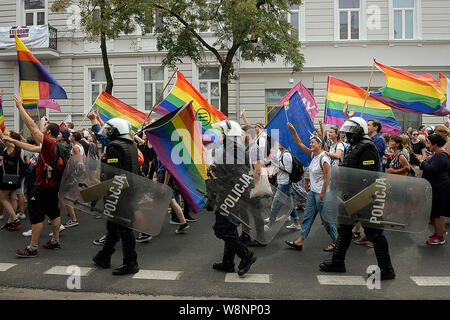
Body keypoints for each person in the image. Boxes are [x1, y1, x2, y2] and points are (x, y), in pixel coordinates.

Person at [319, 116, 396, 280]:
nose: (347, 134)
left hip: (365, 198)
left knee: (374, 233)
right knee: (344, 230)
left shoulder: (367, 147)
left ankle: (387, 269)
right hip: (351, 197)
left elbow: (366, 177)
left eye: (350, 131)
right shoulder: (353, 147)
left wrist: (352, 191)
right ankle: (338, 262)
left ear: (358, 132)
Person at [13, 94, 64, 257]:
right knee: (54, 213)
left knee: (36, 217)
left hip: (42, 186)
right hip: (53, 186)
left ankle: (32, 248)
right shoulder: (60, 146)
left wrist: (20, 106)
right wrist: (13, 141)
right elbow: (32, 147)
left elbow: (33, 129)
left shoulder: (49, 144)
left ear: (48, 132)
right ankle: (55, 241)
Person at [92, 118, 140, 275]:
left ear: (115, 130)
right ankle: (104, 257)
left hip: (118, 193)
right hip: (129, 190)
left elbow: (112, 173)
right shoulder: (131, 144)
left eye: (109, 129)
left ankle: (131, 263)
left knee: (125, 229)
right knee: (113, 227)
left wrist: (99, 193)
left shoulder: (114, 147)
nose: (107, 131)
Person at [209, 120, 257, 276]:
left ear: (229, 135)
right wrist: (217, 168)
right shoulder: (232, 149)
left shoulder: (233, 150)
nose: (220, 136)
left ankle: (246, 255)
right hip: (228, 195)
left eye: (222, 133)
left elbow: (238, 175)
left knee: (222, 229)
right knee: (229, 229)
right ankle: (228, 262)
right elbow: (232, 170)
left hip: (229, 196)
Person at [285, 124, 337, 252]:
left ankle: (336, 241)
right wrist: (294, 131)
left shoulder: (324, 158)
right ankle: (300, 241)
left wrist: (322, 194)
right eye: (311, 143)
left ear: (320, 144)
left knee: (326, 220)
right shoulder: (314, 155)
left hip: (321, 194)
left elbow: (327, 178)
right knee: (307, 217)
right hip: (313, 193)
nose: (311, 144)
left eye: (313, 143)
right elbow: (299, 143)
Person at [418, 134, 450, 245]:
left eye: (429, 143)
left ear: (435, 144)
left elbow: (432, 169)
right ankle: (438, 232)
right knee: (434, 212)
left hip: (439, 187)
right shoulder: (438, 154)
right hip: (436, 186)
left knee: (437, 213)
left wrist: (422, 162)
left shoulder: (441, 156)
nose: (428, 145)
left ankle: (440, 236)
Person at [265, 143, 301, 231]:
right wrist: (273, 171)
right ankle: (296, 223)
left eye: (281, 143)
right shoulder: (280, 153)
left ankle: (270, 224)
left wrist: (277, 165)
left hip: (284, 183)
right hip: (281, 181)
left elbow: (289, 170)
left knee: (275, 203)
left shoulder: (286, 155)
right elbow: (279, 168)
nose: (279, 144)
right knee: (289, 204)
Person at [0, 131, 25, 231]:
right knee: (13, 198)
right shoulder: (16, 147)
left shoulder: (11, 145)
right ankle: (10, 221)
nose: (5, 135)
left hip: (8, 176)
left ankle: (14, 219)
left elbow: (1, 137)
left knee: (2, 198)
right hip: (15, 175)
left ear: (12, 138)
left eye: (8, 134)